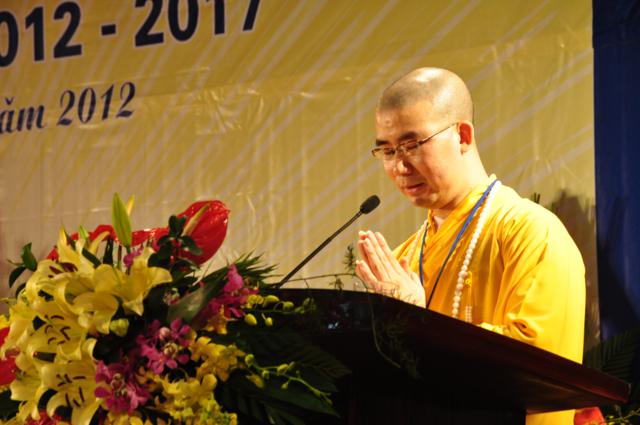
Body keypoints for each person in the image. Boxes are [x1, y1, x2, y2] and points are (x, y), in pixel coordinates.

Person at [355, 67, 585, 425]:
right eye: (386, 150)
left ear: (462, 136)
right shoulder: (401, 260)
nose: (399, 166)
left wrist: (420, 325)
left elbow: (538, 364)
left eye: (412, 145)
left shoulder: (530, 232)